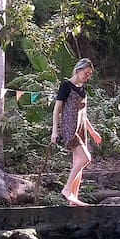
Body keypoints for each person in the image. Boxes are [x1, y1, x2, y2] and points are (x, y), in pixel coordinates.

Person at [51, 58, 102, 206]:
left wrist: (92, 132)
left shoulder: (82, 90)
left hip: (81, 128)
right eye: (86, 73)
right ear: (78, 70)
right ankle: (67, 189)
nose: (87, 76)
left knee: (78, 162)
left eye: (89, 74)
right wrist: (54, 130)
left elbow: (84, 114)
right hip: (70, 127)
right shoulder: (66, 86)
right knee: (86, 158)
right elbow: (57, 109)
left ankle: (73, 198)